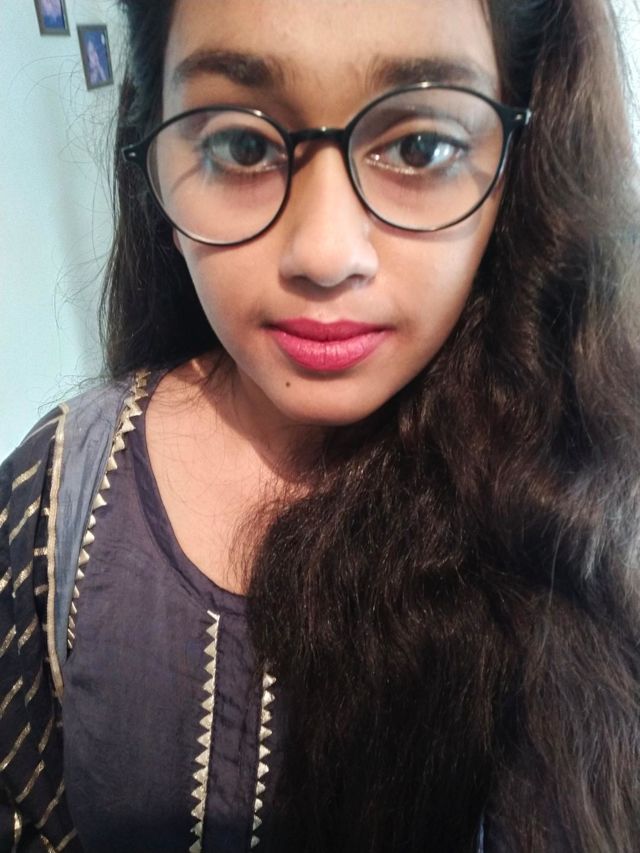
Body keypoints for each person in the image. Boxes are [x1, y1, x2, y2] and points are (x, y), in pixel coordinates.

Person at [2, 0, 639, 850]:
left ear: (521, 163)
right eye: (241, 146)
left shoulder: (600, 521)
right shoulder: (55, 498)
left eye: (420, 147)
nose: (325, 254)